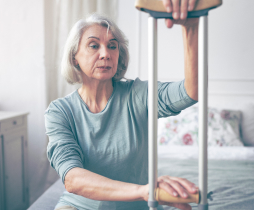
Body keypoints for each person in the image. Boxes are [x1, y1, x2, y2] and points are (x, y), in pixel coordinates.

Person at [45, 1, 199, 209]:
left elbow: (191, 91)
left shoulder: (138, 94)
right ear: (75, 58)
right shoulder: (59, 112)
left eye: (112, 45)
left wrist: (190, 29)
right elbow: (72, 178)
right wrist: (144, 191)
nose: (105, 53)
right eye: (93, 45)